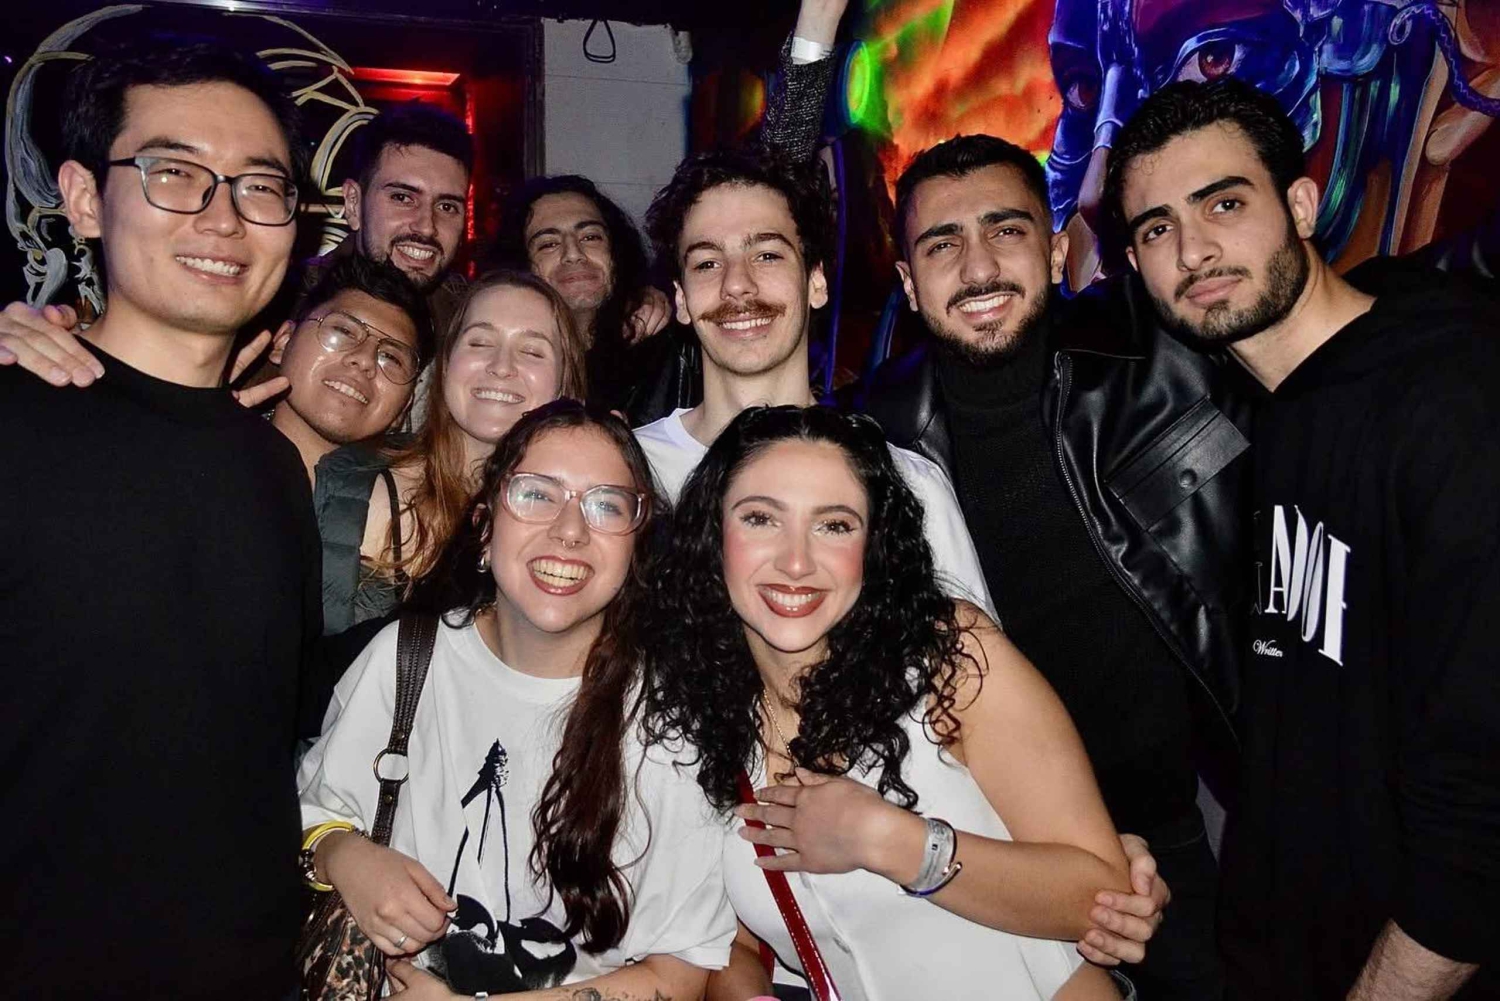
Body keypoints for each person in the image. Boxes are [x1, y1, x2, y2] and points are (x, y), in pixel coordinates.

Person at [1106, 77, 1500, 999]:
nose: (1194, 250)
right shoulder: (1274, 409)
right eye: (1158, 228)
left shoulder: (1453, 401)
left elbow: (1480, 814)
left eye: (1224, 204)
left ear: (1302, 205)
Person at [865, 133, 1246, 998]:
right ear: (909, 283)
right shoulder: (874, 441)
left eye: (1006, 230)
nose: (978, 267)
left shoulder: (1165, 349)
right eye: (942, 244)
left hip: (1191, 817)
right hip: (997, 850)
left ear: (1056, 248)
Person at [0, 38, 318, 999]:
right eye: (174, 174)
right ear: (84, 198)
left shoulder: (274, 466)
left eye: (260, 187)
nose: (224, 219)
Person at [643, 405, 1133, 1000]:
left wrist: (885, 838)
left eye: (834, 525)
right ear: (712, 535)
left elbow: (1100, 894)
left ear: (873, 544)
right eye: (761, 519)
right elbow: (736, 939)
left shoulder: (948, 656)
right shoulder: (694, 717)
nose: (796, 561)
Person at [299, 400, 735, 998]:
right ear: (485, 527)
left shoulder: (669, 720)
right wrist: (348, 856)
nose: (569, 529)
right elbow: (313, 812)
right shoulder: (408, 658)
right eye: (536, 494)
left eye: (606, 505)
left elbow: (677, 976)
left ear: (637, 549)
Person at [638, 146, 997, 617]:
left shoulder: (904, 481)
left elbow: (973, 658)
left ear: (816, 282)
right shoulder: (630, 474)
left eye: (767, 255)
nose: (737, 284)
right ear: (682, 300)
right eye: (707, 263)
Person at [486, 174, 681, 420]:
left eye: (590, 237)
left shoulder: (671, 355)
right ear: (521, 264)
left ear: (616, 253)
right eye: (548, 244)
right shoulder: (499, 365)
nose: (573, 254)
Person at [306, 99, 473, 332]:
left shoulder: (471, 318)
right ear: (353, 203)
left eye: (446, 207)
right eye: (402, 198)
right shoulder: (287, 308)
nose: (426, 227)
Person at [269, 253, 433, 481]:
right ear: (283, 341)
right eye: (344, 331)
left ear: (405, 405)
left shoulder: (419, 499)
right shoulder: (218, 446)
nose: (365, 360)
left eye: (391, 357)